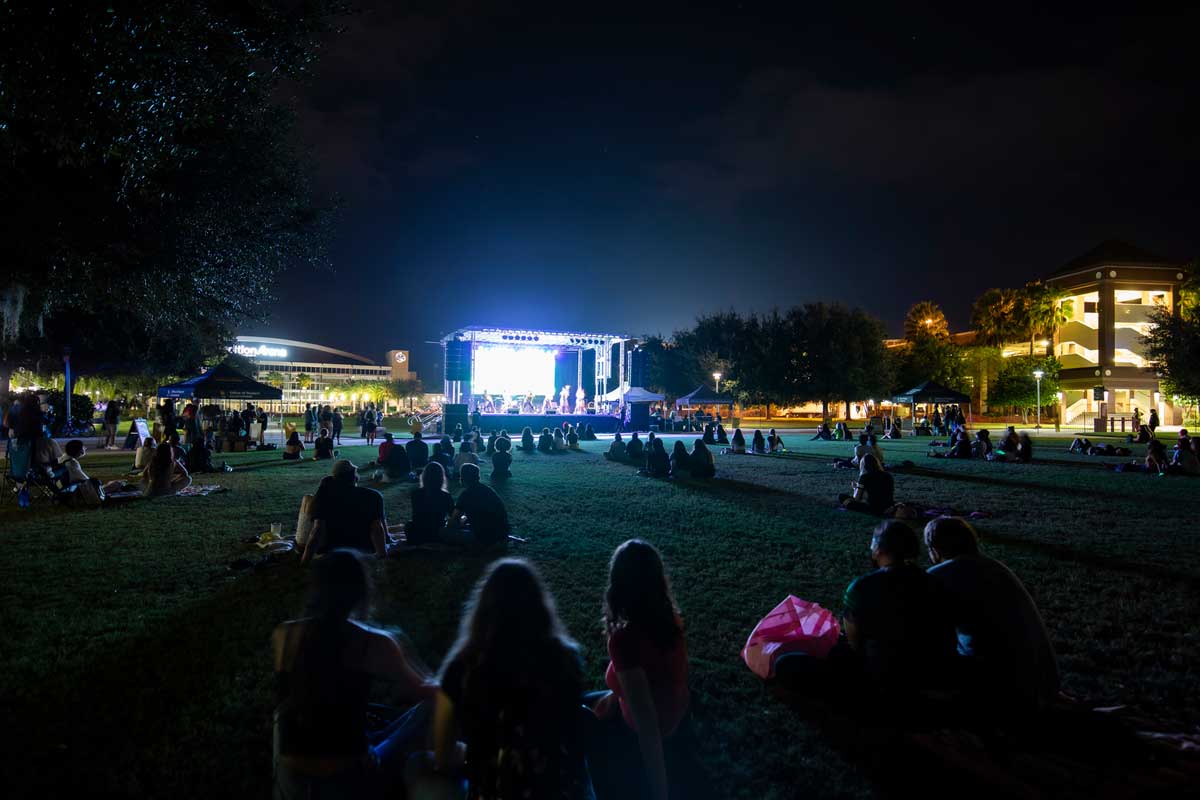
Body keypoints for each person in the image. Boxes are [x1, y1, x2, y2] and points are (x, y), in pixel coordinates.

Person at [418, 559, 590, 799]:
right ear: (539, 605)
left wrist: (474, 753)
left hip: (493, 789)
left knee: (418, 769)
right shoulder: (566, 660)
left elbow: (442, 757)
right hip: (559, 788)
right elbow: (572, 735)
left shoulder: (461, 669)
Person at [273, 550, 437, 800]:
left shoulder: (284, 635)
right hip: (350, 779)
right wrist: (406, 649)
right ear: (361, 591)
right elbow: (429, 690)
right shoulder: (375, 642)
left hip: (290, 782)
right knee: (426, 710)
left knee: (288, 711)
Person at [587, 540, 692, 800]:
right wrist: (614, 696)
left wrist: (659, 791)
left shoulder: (624, 640)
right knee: (591, 702)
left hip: (648, 731)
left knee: (573, 713)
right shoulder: (669, 618)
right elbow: (650, 677)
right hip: (676, 714)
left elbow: (647, 724)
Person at [924, 517, 1060, 716]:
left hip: (1003, 689)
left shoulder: (940, 575)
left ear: (934, 549)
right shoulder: (998, 568)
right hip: (1044, 682)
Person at [302, 460, 391, 562]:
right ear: (355, 476)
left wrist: (305, 560)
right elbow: (377, 529)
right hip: (364, 549)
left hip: (332, 550)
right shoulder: (373, 496)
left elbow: (317, 531)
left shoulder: (324, 496)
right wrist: (383, 557)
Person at [445, 463, 511, 547]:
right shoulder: (489, 490)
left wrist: (451, 521)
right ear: (478, 477)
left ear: (462, 479)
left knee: (443, 532)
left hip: (482, 537)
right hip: (502, 533)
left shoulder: (466, 495)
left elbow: (453, 521)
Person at [405, 462, 454, 545]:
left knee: (409, 525)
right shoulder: (445, 495)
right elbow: (452, 515)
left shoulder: (415, 494)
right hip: (437, 532)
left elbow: (416, 515)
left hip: (418, 532)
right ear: (441, 477)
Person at [58, 440, 105, 506]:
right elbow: (85, 479)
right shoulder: (72, 463)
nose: (85, 448)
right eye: (83, 447)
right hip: (73, 489)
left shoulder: (64, 457)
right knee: (114, 484)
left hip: (64, 486)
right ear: (78, 450)